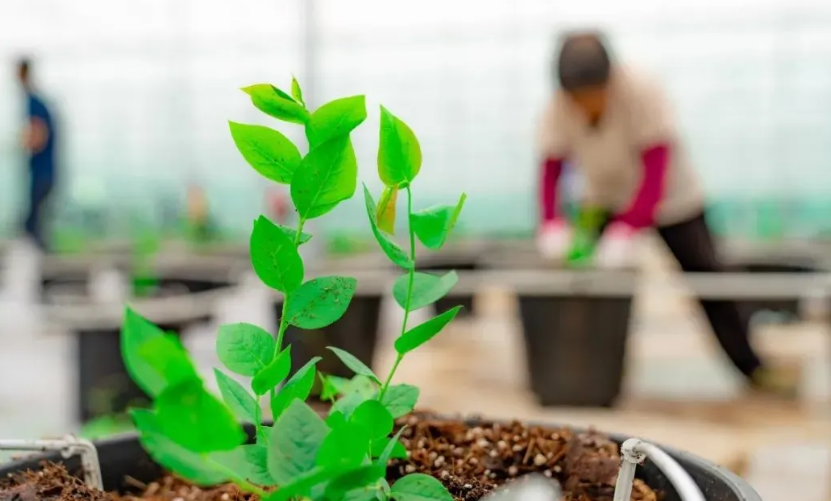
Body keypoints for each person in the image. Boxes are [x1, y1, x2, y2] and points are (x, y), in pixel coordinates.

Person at [535, 31, 798, 398]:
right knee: (586, 286)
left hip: (674, 201)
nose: (585, 106)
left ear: (610, 80)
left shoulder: (642, 91)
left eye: (591, 96)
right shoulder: (559, 107)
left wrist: (628, 228)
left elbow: (656, 169)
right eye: (577, 98)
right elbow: (551, 167)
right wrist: (552, 222)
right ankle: (587, 379)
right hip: (604, 199)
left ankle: (753, 368)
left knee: (710, 281)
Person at [16, 58, 57, 251]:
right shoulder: (37, 101)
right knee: (34, 223)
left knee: (32, 225)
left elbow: (38, 135)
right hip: (43, 171)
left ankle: (38, 259)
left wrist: (20, 143)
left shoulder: (34, 102)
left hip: (42, 173)